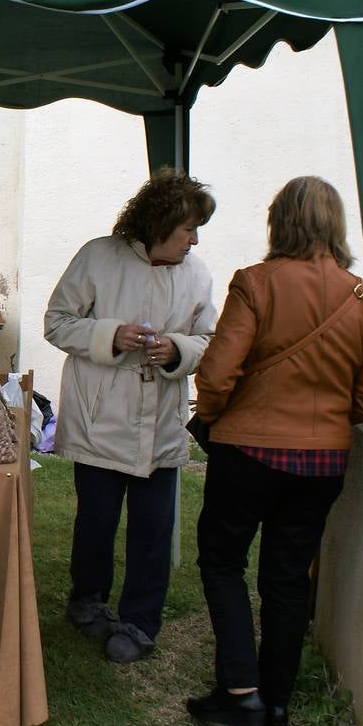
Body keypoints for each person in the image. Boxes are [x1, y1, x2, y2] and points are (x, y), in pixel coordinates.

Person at [186, 176, 363, 726]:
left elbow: (216, 374)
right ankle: (278, 703)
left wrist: (214, 415)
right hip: (322, 462)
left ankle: (241, 692)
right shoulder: (360, 296)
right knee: (288, 579)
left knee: (222, 562)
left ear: (279, 221)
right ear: (335, 225)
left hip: (248, 450)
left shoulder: (256, 282)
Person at [44, 168, 217, 664]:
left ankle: (140, 622)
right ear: (160, 223)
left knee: (153, 526)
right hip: (101, 415)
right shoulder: (99, 256)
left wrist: (178, 349)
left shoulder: (197, 274)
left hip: (159, 420)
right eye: (188, 228)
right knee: (96, 520)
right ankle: (88, 601)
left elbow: (209, 339)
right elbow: (57, 323)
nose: (194, 239)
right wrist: (112, 335)